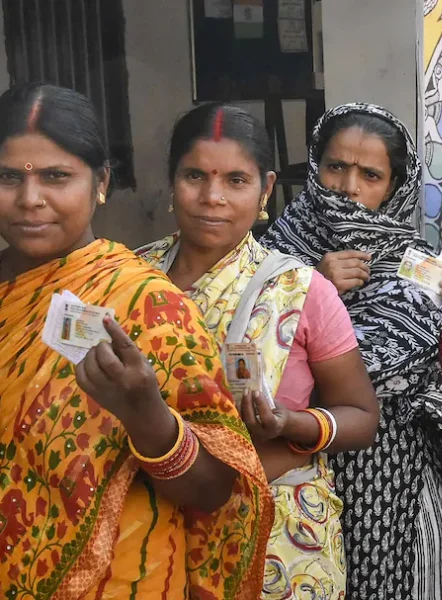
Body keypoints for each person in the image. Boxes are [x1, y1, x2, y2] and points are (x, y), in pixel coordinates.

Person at [0, 83, 272, 598]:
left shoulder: (148, 306)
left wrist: (146, 415)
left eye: (56, 176)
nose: (30, 199)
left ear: (100, 181)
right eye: (9, 177)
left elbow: (215, 490)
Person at [261, 103, 442, 600]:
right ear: (314, 168)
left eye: (370, 175)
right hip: (298, 486)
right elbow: (255, 375)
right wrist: (310, 291)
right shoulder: (271, 261)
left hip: (400, 491)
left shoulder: (424, 272)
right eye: (335, 167)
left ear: (396, 186)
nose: (348, 187)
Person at [136, 103, 381, 599]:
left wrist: (292, 424)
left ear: (266, 189)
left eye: (236, 180)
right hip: (152, 530)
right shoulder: (132, 277)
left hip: (278, 541)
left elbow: (361, 417)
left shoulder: (300, 289)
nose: (212, 197)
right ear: (172, 180)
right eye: (195, 176)